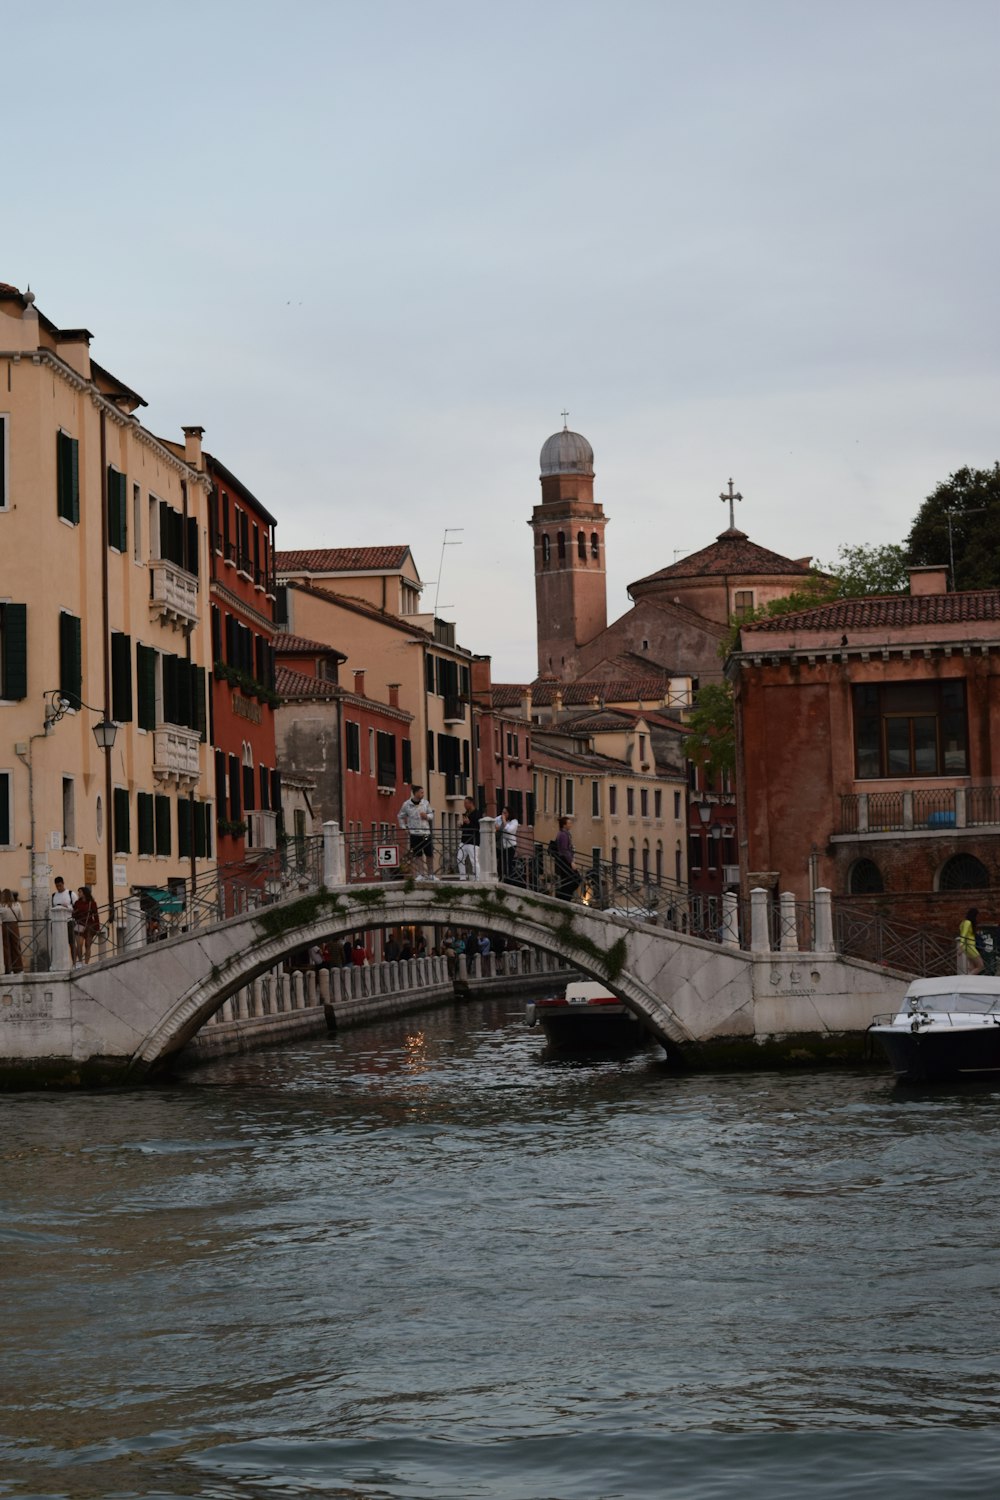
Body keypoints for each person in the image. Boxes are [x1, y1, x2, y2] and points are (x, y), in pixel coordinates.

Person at [397, 783, 436, 880]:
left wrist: (426, 816)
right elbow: (400, 816)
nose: (423, 794)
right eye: (421, 792)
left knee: (429, 853)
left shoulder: (425, 803)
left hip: (426, 833)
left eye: (423, 792)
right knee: (417, 854)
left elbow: (431, 815)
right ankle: (420, 874)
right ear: (416, 793)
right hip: (414, 833)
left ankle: (431, 874)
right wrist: (404, 827)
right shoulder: (406, 804)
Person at [72, 885, 101, 965]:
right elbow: (73, 915)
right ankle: (80, 962)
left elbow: (96, 915)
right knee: (79, 945)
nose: (78, 893)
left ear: (84, 893)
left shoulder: (92, 903)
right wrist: (75, 912)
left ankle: (86, 963)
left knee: (87, 945)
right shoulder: (77, 903)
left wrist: (97, 928)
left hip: (90, 926)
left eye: (80, 892)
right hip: (79, 924)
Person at [554, 816, 579, 902]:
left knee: (568, 880)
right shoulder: (563, 835)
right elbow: (564, 850)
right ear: (564, 825)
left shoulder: (563, 833)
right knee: (576, 879)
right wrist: (571, 861)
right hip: (564, 860)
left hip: (563, 859)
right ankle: (563, 897)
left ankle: (565, 897)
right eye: (569, 823)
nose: (571, 825)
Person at [51, 875, 77, 960]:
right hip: (57, 923)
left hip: (69, 921)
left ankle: (75, 963)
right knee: (58, 944)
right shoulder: (54, 896)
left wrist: (67, 907)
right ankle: (60, 961)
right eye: (57, 886)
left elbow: (77, 909)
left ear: (63, 883)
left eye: (60, 885)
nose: (58, 887)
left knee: (72, 943)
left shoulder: (71, 894)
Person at [457, 796, 481, 881]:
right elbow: (466, 826)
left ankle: (477, 878)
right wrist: (461, 825)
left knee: (474, 860)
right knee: (459, 858)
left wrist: (469, 822)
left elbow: (478, 827)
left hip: (473, 841)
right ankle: (462, 877)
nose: (464, 805)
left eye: (466, 803)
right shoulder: (466, 813)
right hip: (464, 840)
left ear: (471, 803)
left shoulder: (478, 814)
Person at [495, 806, 519, 882]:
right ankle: (501, 878)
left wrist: (504, 821)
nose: (503, 814)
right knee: (500, 864)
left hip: (510, 846)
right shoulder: (500, 819)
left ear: (509, 813)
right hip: (501, 845)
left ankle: (509, 880)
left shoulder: (514, 822)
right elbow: (494, 821)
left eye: (505, 813)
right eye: (502, 812)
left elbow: (509, 830)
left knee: (507, 864)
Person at [959, 908, 984, 974]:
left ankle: (970, 982)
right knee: (980, 965)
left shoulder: (963, 922)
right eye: (977, 916)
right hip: (969, 946)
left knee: (972, 966)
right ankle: (967, 979)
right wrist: (961, 946)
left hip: (968, 946)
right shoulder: (968, 922)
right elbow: (963, 934)